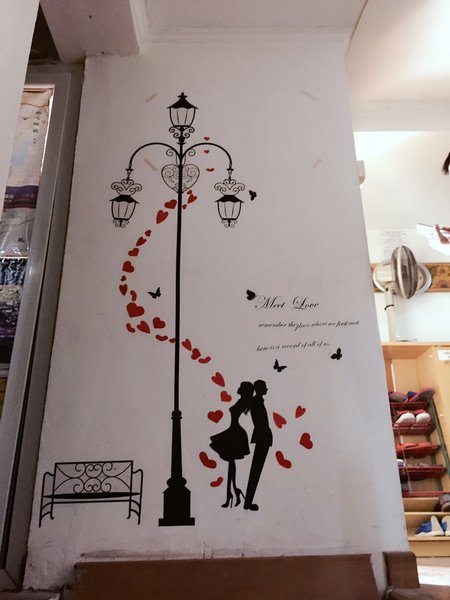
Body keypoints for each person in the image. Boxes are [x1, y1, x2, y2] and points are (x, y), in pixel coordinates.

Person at [210, 381, 253, 508]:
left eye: (241, 387)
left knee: (231, 462)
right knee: (231, 464)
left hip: (236, 432)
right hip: (234, 431)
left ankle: (231, 493)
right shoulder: (242, 401)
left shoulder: (243, 402)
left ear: (244, 390)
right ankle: (232, 492)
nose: (238, 388)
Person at [244, 379, 273, 511]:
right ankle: (248, 502)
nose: (267, 389)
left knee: (256, 469)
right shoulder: (257, 402)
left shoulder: (257, 401)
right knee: (256, 469)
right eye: (265, 386)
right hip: (262, 437)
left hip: (262, 436)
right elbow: (261, 423)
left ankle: (248, 502)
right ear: (259, 388)